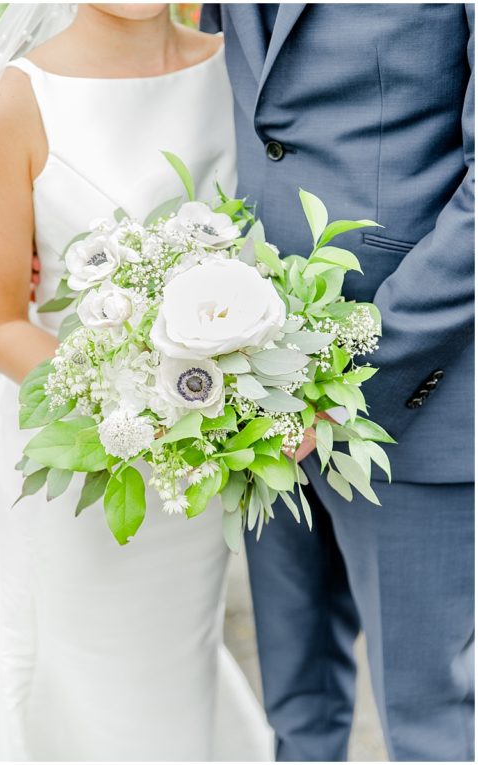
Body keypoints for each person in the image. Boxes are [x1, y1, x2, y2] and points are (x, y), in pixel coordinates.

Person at [0, 4, 272, 760]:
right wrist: (133, 398)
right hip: (76, 455)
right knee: (83, 685)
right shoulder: (20, 96)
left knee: (174, 672)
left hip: (196, 460)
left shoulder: (238, 69)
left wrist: (202, 405)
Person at [199, 5, 475, 761]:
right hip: (252, 388)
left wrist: (346, 385)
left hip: (420, 397)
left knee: (427, 725)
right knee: (298, 714)